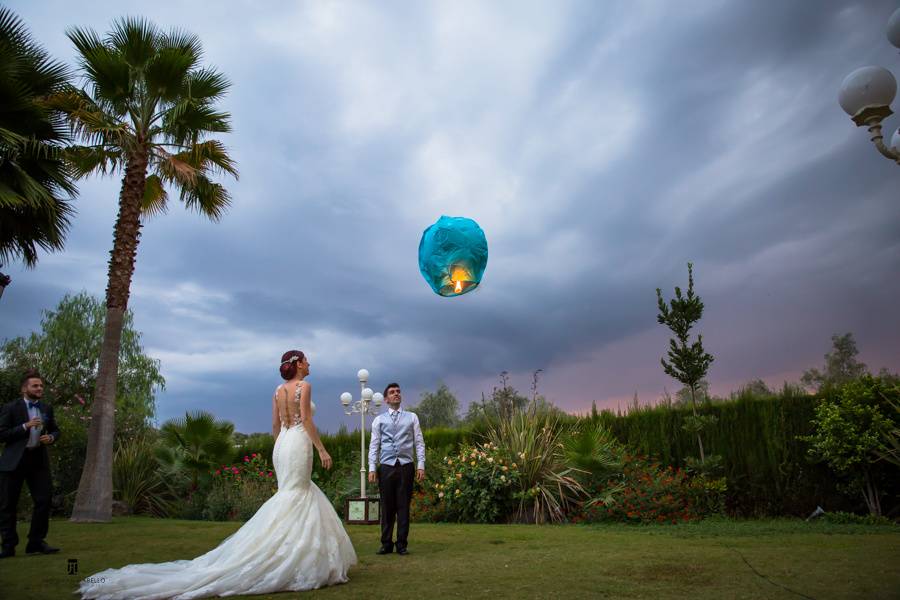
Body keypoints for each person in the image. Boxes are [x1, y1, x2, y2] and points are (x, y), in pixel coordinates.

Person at [79, 350, 357, 599]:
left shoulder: (277, 390)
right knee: (296, 495)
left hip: (283, 444)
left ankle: (295, 555)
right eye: (305, 360)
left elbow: (274, 424)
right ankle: (293, 558)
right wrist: (321, 449)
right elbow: (306, 420)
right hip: (297, 441)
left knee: (293, 494)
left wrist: (279, 448)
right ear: (297, 364)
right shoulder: (304, 386)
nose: (309, 364)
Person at [0, 369, 61, 558]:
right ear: (24, 389)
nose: (40, 388)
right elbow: (2, 434)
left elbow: (56, 430)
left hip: (38, 461)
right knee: (8, 505)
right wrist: (25, 426)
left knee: (44, 501)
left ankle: (35, 542)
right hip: (14, 461)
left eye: (41, 385)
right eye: (35, 385)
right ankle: (8, 546)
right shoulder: (10, 408)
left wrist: (51, 437)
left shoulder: (46, 409)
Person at [368, 382, 425, 555]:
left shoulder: (412, 417)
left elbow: (419, 442)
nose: (396, 394)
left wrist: (421, 464)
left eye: (398, 391)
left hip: (406, 466)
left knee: (403, 507)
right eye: (392, 392)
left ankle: (401, 544)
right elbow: (374, 445)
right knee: (387, 507)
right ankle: (386, 543)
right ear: (386, 399)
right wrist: (372, 467)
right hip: (386, 467)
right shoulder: (378, 420)